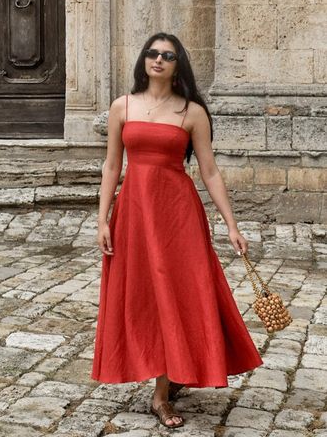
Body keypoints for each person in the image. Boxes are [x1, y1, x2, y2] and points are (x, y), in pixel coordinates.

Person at [90, 33, 263, 429]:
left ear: (177, 64)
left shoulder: (192, 112)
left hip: (176, 214)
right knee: (144, 295)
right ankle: (162, 370)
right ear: (143, 60)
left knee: (177, 292)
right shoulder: (123, 106)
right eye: (152, 53)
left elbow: (210, 171)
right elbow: (112, 167)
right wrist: (102, 219)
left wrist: (232, 225)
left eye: (167, 55)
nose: (158, 60)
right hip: (134, 212)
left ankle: (162, 394)